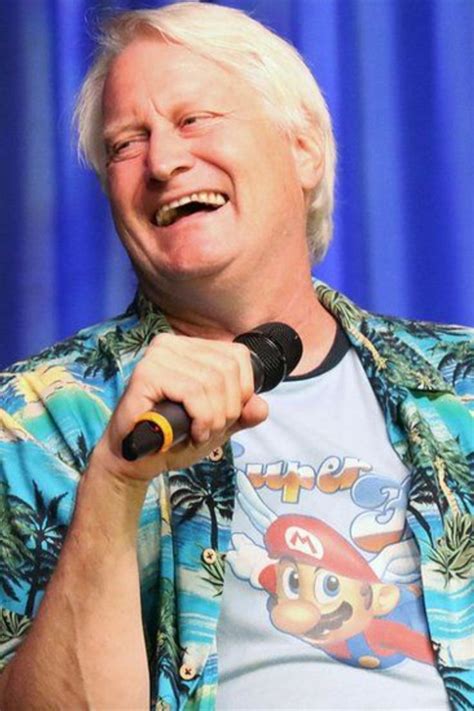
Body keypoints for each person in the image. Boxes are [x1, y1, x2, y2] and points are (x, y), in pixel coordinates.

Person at [0, 3, 472, 709]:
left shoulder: (462, 385)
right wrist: (117, 479)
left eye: (194, 120)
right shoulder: (34, 417)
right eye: (127, 142)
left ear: (303, 150)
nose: (163, 162)